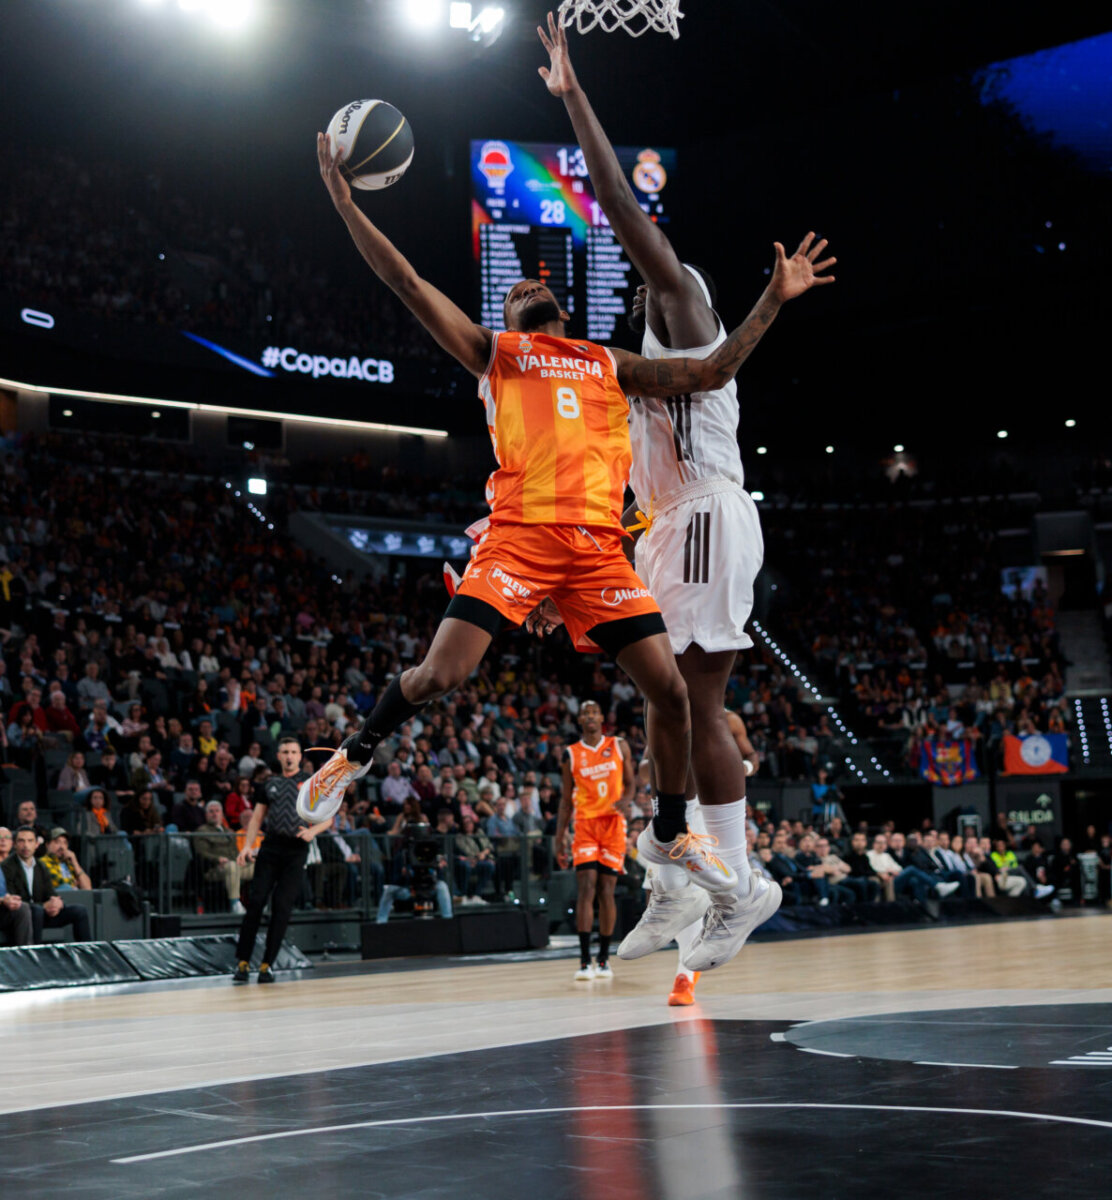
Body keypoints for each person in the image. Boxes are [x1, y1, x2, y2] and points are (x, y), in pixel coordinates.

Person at [296, 126, 824, 900]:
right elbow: (407, 282)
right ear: (506, 316)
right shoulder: (495, 355)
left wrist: (772, 302)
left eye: (533, 290)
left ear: (563, 310)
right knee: (443, 674)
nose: (526, 290)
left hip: (598, 552)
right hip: (519, 542)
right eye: (513, 293)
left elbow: (712, 370)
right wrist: (347, 207)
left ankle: (673, 835)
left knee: (672, 694)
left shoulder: (608, 363)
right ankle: (353, 755)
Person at [536, 14, 832, 972]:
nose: (635, 284)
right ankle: (669, 883)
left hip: (708, 513)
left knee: (699, 707)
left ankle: (740, 890)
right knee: (661, 704)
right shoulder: (627, 380)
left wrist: (575, 99)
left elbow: (621, 207)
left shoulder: (683, 304)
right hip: (664, 530)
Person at [232, 737, 328, 984]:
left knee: (282, 907)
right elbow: (256, 819)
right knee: (255, 903)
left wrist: (312, 831)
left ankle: (267, 964)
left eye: (294, 752)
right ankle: (242, 962)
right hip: (270, 848)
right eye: (285, 751)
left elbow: (328, 818)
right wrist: (247, 847)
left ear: (300, 756)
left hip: (296, 851)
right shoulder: (269, 783)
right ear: (278, 755)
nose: (289, 755)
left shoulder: (310, 783)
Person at [556, 700, 635, 980]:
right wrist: (559, 838)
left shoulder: (618, 745)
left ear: (602, 717)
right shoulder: (571, 754)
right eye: (585, 713)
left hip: (613, 824)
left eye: (594, 711)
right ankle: (584, 960)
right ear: (579, 720)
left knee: (607, 890)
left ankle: (603, 958)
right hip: (586, 824)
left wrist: (627, 800)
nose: (590, 716)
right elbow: (566, 799)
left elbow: (631, 781)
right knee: (587, 887)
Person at [2, 827, 92, 942]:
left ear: (36, 844)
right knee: (36, 911)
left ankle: (86, 953)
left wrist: (57, 903)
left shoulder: (40, 866)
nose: (26, 845)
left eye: (30, 841)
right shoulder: (7, 866)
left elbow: (51, 893)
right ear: (15, 844)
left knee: (80, 911)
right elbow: (14, 900)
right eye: (21, 841)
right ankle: (34, 956)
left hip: (42, 913)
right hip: (22, 916)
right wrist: (43, 906)